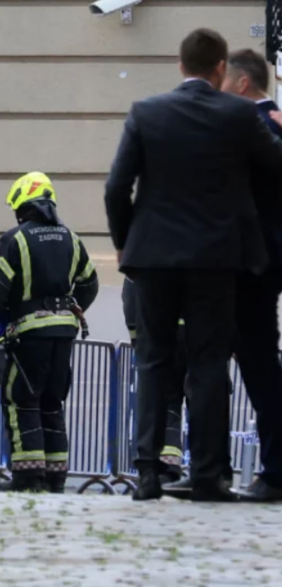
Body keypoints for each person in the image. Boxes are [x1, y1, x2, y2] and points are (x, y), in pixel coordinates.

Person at [105, 28, 282, 502]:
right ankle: (208, 474)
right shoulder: (238, 116)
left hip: (153, 258)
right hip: (216, 258)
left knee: (154, 361)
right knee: (206, 363)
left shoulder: (147, 112)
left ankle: (146, 472)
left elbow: (115, 187)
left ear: (181, 66)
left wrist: (125, 243)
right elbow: (274, 172)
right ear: (220, 67)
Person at [0, 172, 99, 493]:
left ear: (22, 207)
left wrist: (13, 307)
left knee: (22, 400)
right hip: (64, 333)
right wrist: (70, 308)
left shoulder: (15, 239)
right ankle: (56, 477)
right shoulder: (72, 238)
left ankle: (27, 476)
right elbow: (90, 284)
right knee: (52, 402)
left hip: (28, 334)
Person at [220, 49, 282, 502]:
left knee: (259, 366)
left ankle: (275, 471)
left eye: (224, 83)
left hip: (254, 261)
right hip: (269, 257)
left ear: (243, 84)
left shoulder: (254, 127)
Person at [122, 277, 186, 484]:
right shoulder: (202, 247)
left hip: (160, 339)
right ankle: (207, 472)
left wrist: (137, 339)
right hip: (199, 339)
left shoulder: (148, 247)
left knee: (166, 404)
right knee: (203, 403)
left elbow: (131, 297)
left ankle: (164, 468)